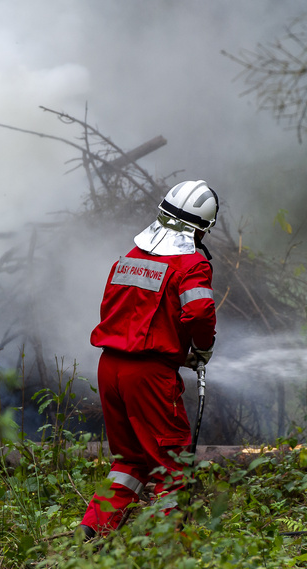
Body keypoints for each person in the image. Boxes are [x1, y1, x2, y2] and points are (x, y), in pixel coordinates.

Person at [79, 180, 219, 539]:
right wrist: (201, 350)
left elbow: (117, 311)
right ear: (201, 228)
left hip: (110, 369)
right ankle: (162, 549)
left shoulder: (130, 258)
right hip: (149, 377)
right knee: (171, 469)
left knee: (129, 463)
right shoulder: (190, 263)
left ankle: (92, 532)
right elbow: (200, 312)